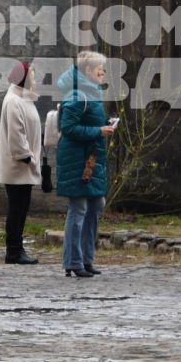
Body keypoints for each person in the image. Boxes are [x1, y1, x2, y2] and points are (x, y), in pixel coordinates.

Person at [54, 51, 117, 280]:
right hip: (77, 160)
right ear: (88, 71)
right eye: (100, 68)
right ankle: (73, 261)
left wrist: (104, 124)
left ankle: (86, 258)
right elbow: (68, 128)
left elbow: (85, 120)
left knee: (96, 204)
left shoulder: (91, 92)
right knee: (79, 208)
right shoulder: (76, 94)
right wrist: (98, 131)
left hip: (91, 158)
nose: (103, 72)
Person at [0, 60, 42, 264]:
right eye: (33, 76)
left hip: (25, 166)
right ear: (24, 78)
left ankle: (17, 248)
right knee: (16, 209)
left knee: (21, 209)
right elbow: (16, 135)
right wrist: (29, 159)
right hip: (18, 166)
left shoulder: (24, 99)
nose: (35, 79)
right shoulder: (13, 100)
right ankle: (13, 251)